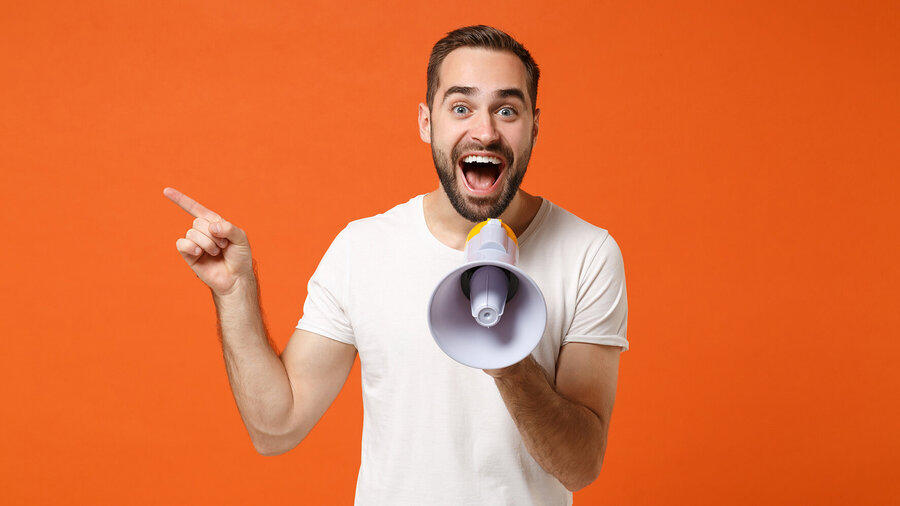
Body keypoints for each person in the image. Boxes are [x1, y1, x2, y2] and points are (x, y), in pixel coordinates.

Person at [165, 25, 628, 506]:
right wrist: (235, 293)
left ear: (534, 125)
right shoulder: (363, 249)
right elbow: (275, 428)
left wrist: (508, 363)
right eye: (461, 107)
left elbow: (580, 465)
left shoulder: (587, 254)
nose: (485, 131)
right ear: (427, 122)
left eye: (507, 110)